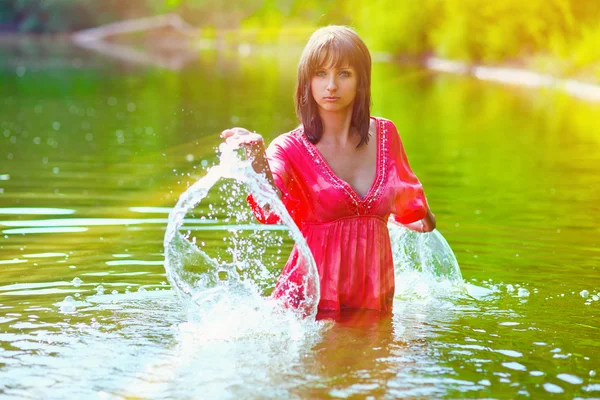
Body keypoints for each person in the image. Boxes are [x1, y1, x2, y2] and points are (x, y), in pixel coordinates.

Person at [221, 25, 436, 314]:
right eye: (320, 74)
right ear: (306, 81)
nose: (331, 85)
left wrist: (421, 218)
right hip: (307, 313)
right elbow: (269, 206)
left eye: (343, 73)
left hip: (373, 307)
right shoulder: (288, 148)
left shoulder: (387, 135)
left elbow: (414, 209)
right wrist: (257, 158)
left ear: (361, 81)